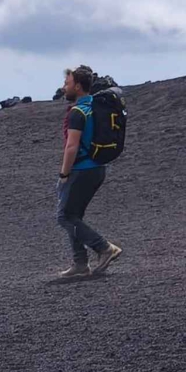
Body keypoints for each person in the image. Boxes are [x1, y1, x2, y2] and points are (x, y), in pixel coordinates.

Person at [55, 65, 123, 279]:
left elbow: (71, 147)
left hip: (82, 170)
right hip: (97, 168)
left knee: (64, 216)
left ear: (77, 86)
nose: (64, 87)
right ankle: (80, 263)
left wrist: (64, 174)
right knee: (74, 216)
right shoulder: (94, 106)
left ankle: (104, 248)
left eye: (67, 84)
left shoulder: (77, 112)